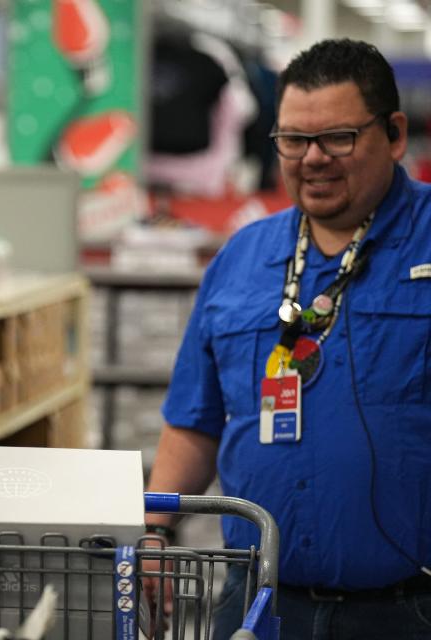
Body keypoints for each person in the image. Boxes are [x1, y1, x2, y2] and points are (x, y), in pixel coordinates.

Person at [144, 39, 431, 639]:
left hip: (410, 607)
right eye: (294, 141)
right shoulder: (241, 258)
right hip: (258, 604)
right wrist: (153, 528)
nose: (313, 159)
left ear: (395, 134)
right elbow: (196, 420)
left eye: (339, 138)